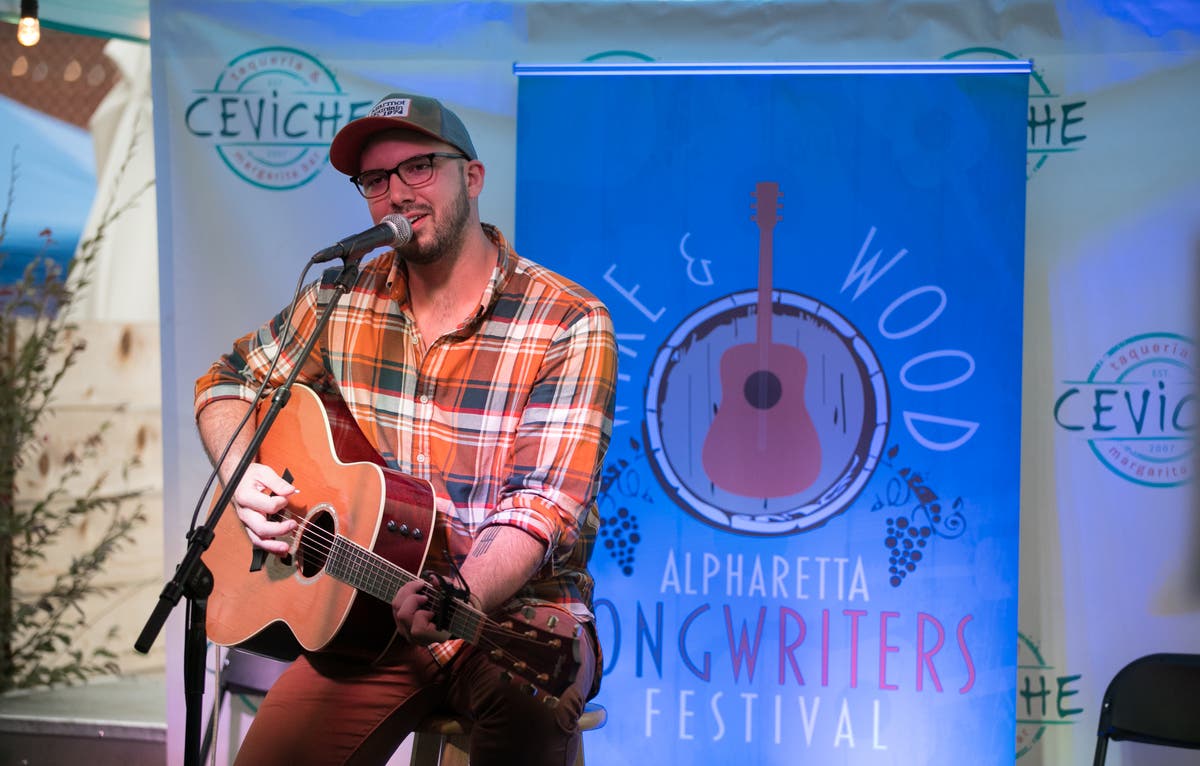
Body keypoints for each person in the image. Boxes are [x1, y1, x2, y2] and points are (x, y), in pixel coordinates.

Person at [194, 91, 617, 765]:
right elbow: (228, 381)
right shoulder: (340, 299)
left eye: (418, 167)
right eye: (375, 179)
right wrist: (243, 475)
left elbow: (541, 504)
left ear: (472, 177)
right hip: (366, 613)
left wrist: (458, 598)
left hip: (511, 617)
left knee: (530, 703)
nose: (396, 193)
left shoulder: (566, 319)